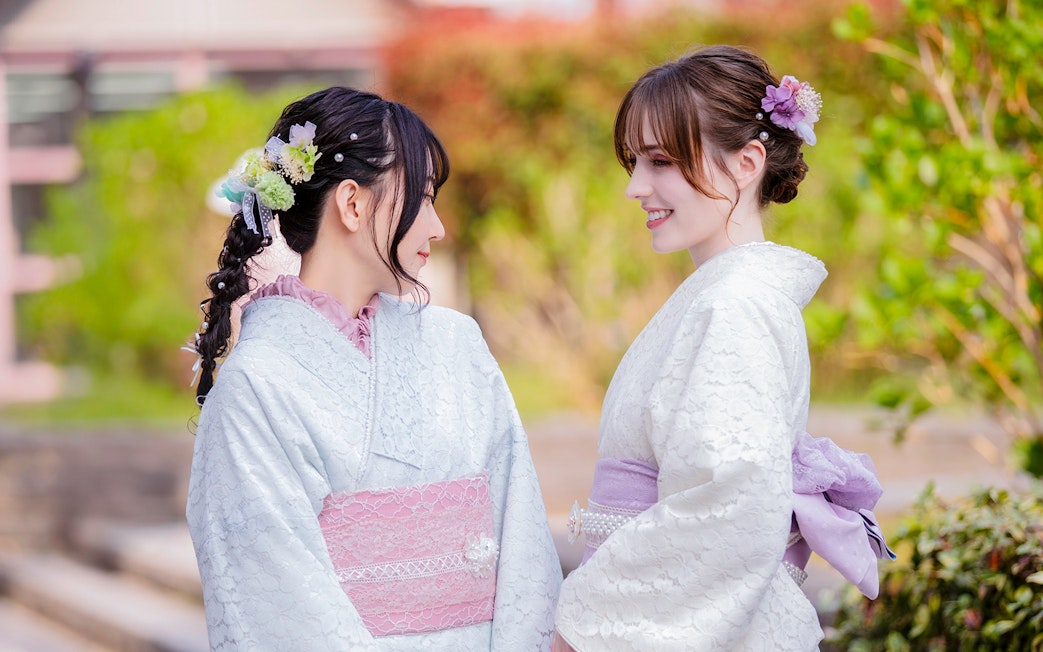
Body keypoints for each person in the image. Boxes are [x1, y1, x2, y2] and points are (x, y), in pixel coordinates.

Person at [184, 86, 561, 650]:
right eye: (423, 199)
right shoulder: (254, 387)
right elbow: (279, 606)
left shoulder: (458, 344)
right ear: (353, 204)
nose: (437, 227)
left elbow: (522, 530)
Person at [553, 46, 893, 651]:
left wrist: (584, 628)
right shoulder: (725, 296)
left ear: (747, 163)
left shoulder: (736, 304)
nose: (636, 187)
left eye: (661, 161)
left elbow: (730, 504)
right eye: (635, 161)